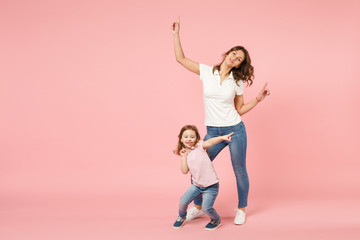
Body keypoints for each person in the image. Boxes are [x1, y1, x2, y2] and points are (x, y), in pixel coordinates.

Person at [171, 17, 270, 225]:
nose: (235, 58)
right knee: (197, 164)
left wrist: (258, 99)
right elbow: (181, 59)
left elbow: (240, 109)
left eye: (240, 59)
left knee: (239, 170)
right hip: (213, 130)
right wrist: (176, 34)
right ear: (227, 54)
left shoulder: (237, 81)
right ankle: (198, 207)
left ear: (240, 64)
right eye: (234, 53)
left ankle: (242, 208)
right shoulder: (207, 72)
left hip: (235, 130)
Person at [173, 125, 233, 230]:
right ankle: (181, 217)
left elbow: (210, 142)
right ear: (181, 139)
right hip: (196, 185)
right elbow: (184, 171)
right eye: (186, 136)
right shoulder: (185, 152)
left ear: (196, 138)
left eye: (192, 136)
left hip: (211, 186)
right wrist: (183, 157)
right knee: (183, 201)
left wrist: (222, 138)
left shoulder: (200, 145)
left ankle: (216, 220)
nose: (189, 139)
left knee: (206, 209)